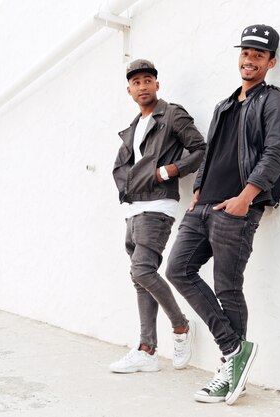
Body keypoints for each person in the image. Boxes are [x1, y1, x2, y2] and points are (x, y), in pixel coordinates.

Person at [165, 24, 280, 404]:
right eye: (245, 53)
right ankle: (237, 351)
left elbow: (275, 152)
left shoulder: (274, 101)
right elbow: (211, 151)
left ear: (271, 61)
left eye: (258, 55)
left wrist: (246, 197)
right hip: (203, 206)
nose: (249, 60)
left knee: (227, 287)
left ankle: (228, 369)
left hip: (236, 209)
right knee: (177, 269)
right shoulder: (224, 104)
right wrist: (199, 189)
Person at [109, 59, 206, 373]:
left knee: (143, 271)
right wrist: (128, 190)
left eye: (147, 80)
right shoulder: (134, 127)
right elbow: (125, 167)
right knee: (140, 279)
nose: (142, 86)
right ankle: (147, 350)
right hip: (134, 208)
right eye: (136, 82)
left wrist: (169, 170)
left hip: (158, 206)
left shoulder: (172, 115)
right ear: (129, 90)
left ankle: (180, 327)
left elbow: (200, 149)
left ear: (157, 84)